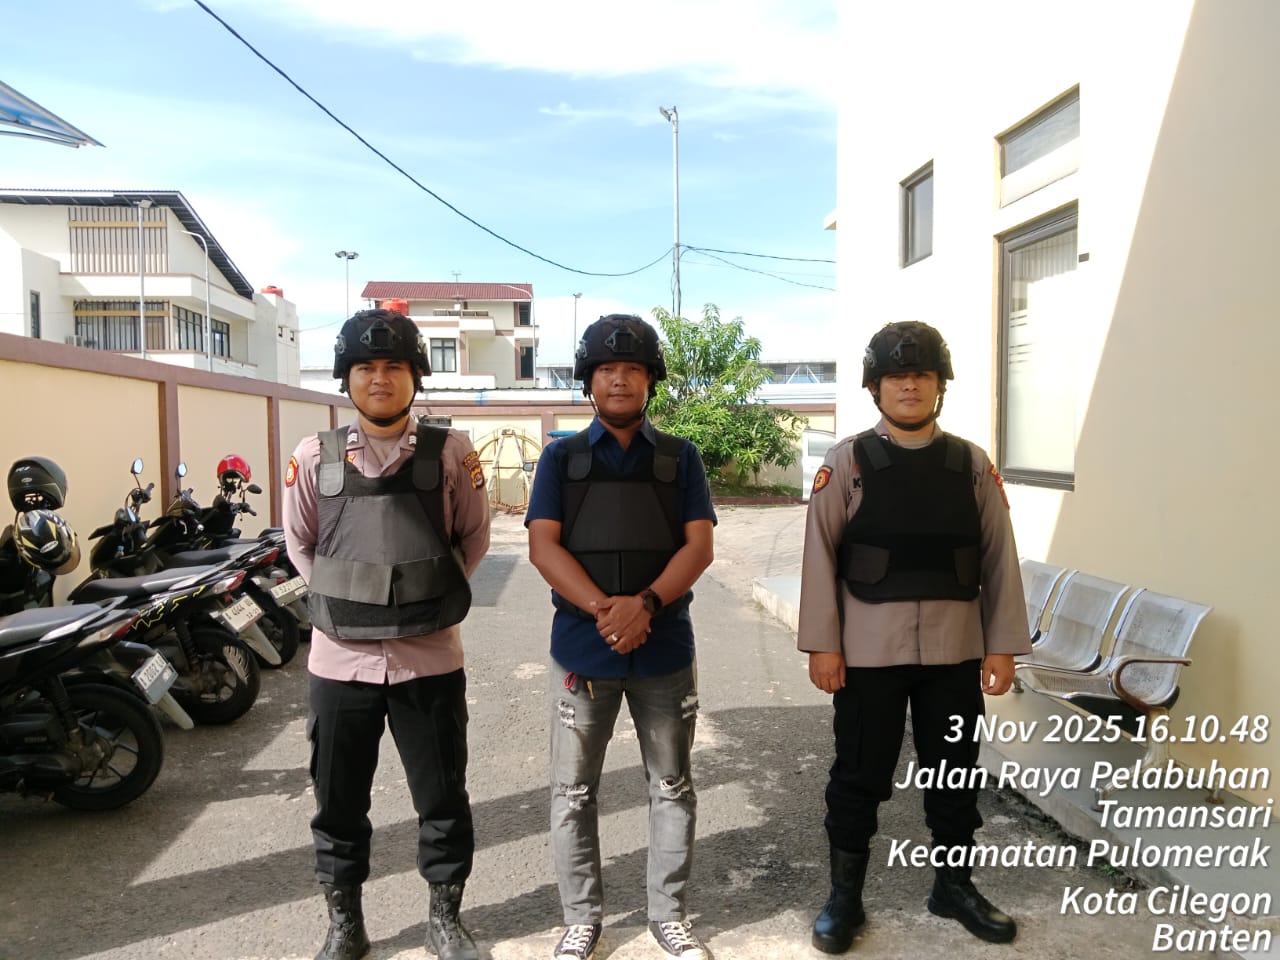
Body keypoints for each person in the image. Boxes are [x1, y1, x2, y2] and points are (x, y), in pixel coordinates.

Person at [797, 321, 1032, 953]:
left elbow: (998, 557)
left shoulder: (971, 464)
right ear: (875, 387)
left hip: (955, 654)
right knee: (859, 776)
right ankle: (844, 898)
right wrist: (823, 644)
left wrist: (1002, 645)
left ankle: (954, 888)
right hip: (868, 654)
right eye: (896, 376)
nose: (909, 385)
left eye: (922, 375)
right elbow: (819, 556)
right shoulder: (846, 461)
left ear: (939, 386)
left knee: (955, 775)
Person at [283, 308, 491, 960]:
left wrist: (420, 598)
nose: (379, 378)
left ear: (415, 376)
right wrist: (350, 605)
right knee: (337, 803)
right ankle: (345, 926)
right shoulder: (314, 455)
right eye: (366, 367)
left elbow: (473, 539)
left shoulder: (452, 452)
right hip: (338, 663)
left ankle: (445, 922)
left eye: (394, 366)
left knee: (443, 798)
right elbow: (300, 545)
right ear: (346, 378)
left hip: (429, 661)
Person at [525, 314, 717, 960]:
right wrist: (606, 611)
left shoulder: (680, 458)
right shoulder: (561, 459)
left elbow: (699, 546)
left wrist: (647, 605)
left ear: (650, 380)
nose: (619, 379)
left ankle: (669, 915)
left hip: (665, 650)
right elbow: (543, 546)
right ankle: (581, 919)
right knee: (573, 791)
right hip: (582, 652)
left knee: (672, 785)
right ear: (589, 380)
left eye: (632, 369)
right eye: (607, 369)